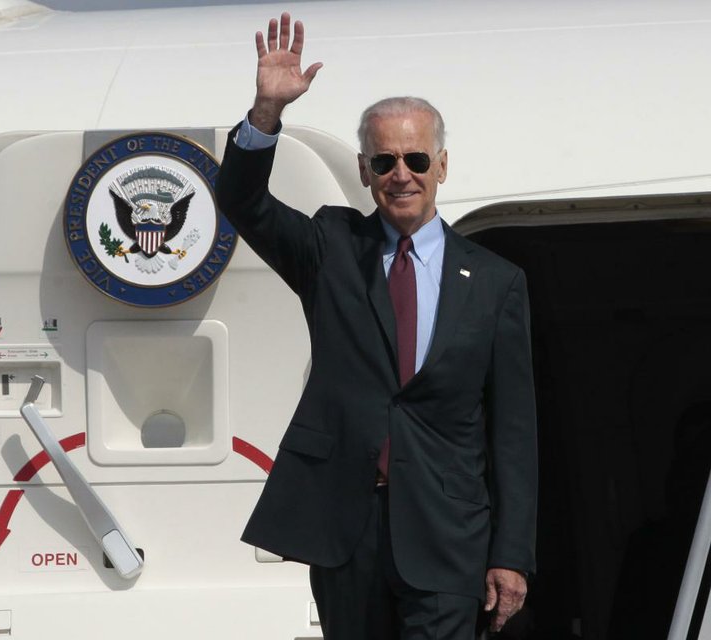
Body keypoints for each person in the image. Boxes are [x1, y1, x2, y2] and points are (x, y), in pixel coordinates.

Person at [215, 12, 537, 640]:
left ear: (442, 165)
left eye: (416, 158)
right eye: (384, 160)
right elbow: (242, 203)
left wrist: (511, 553)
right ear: (364, 170)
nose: (401, 174)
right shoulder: (331, 246)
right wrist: (264, 115)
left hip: (447, 530)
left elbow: (515, 433)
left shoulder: (497, 282)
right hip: (346, 521)